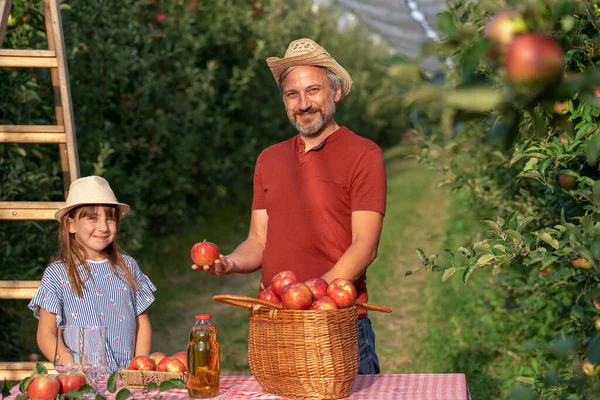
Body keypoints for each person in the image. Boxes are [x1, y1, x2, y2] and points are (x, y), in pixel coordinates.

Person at [193, 38, 387, 374]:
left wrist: (312, 297)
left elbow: (365, 246)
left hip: (336, 323)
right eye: (292, 94)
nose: (303, 104)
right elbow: (258, 241)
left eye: (313, 90)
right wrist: (229, 262)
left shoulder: (363, 154)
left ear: (335, 92)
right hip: (276, 324)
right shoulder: (269, 159)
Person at [28, 176, 156, 374]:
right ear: (70, 224)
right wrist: (71, 366)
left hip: (126, 381)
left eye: (110, 218)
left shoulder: (129, 267)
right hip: (82, 382)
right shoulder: (58, 274)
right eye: (92, 218)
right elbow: (46, 333)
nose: (103, 227)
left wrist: (138, 368)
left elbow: (143, 323)